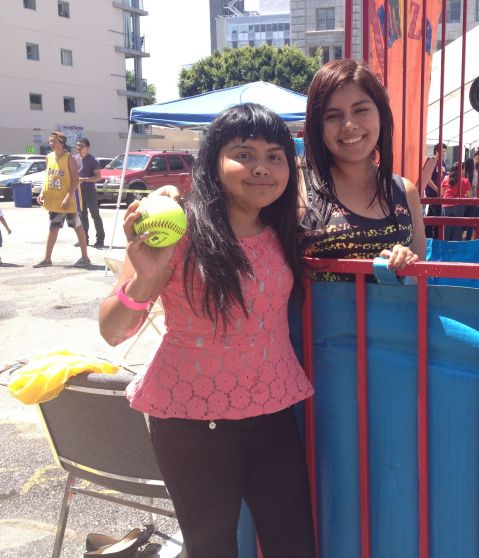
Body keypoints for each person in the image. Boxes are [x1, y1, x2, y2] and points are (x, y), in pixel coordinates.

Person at [99, 104, 316, 558]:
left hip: (272, 411)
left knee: (294, 546)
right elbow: (113, 332)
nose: (261, 167)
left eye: (275, 156)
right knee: (212, 549)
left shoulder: (286, 230)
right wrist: (145, 279)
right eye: (244, 154)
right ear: (214, 160)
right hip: (191, 422)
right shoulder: (176, 232)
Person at [302, 59, 425, 278]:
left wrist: (407, 262)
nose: (349, 125)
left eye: (361, 110)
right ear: (317, 125)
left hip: (392, 302)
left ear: (381, 115)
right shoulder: (299, 187)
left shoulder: (405, 192)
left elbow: (419, 281)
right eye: (333, 115)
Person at [35, 131, 89, 267]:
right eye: (50, 141)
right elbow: (48, 177)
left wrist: (67, 197)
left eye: (54, 141)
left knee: (78, 227)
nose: (51, 143)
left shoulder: (69, 158)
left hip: (69, 201)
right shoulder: (49, 157)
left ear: (62, 143)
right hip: (55, 201)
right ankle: (47, 259)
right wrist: (42, 192)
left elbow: (75, 180)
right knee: (53, 228)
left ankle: (85, 258)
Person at [74, 138, 104, 248]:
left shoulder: (93, 160)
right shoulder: (74, 158)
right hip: (78, 191)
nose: (79, 147)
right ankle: (84, 240)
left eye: (82, 145)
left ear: (87, 147)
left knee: (95, 215)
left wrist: (85, 179)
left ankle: (100, 240)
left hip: (90, 191)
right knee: (82, 216)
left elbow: (98, 177)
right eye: (78, 145)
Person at [419, 142, 448, 238]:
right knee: (437, 219)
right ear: (436, 151)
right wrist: (437, 189)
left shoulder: (443, 163)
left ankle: (427, 238)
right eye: (442, 151)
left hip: (439, 195)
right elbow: (427, 179)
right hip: (432, 194)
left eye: (445, 151)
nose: (443, 153)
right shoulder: (431, 161)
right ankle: (435, 238)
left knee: (430, 218)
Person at [440, 161, 471, 241]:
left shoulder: (446, 179)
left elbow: (441, 193)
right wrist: (464, 196)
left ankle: (446, 246)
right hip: (459, 205)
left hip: (446, 205)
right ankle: (457, 246)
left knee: (447, 229)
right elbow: (470, 196)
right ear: (462, 170)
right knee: (457, 228)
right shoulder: (465, 181)